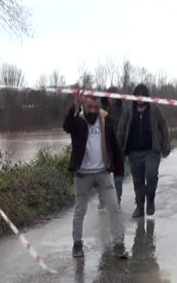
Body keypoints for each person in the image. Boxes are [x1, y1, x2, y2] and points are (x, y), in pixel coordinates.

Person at [62, 90, 128, 259]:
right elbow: (66, 127)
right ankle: (77, 244)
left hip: (103, 173)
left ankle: (119, 244)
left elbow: (114, 146)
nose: (92, 110)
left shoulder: (106, 121)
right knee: (80, 210)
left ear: (100, 107)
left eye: (96, 107)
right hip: (82, 174)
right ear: (84, 105)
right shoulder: (77, 120)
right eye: (89, 107)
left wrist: (119, 170)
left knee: (114, 207)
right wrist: (75, 107)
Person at [117, 83, 171, 218]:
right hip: (134, 152)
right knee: (138, 181)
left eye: (143, 95)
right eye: (138, 95)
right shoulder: (128, 112)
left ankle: (150, 199)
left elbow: (164, 128)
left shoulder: (155, 110)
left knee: (151, 176)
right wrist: (119, 149)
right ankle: (140, 207)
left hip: (151, 151)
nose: (140, 98)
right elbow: (121, 131)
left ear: (147, 96)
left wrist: (166, 146)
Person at [99, 87, 126, 209]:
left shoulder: (123, 111)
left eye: (113, 96)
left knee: (118, 174)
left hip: (119, 146)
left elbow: (126, 127)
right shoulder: (101, 110)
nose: (111, 99)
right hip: (105, 146)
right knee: (102, 173)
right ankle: (102, 199)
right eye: (109, 96)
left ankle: (117, 198)